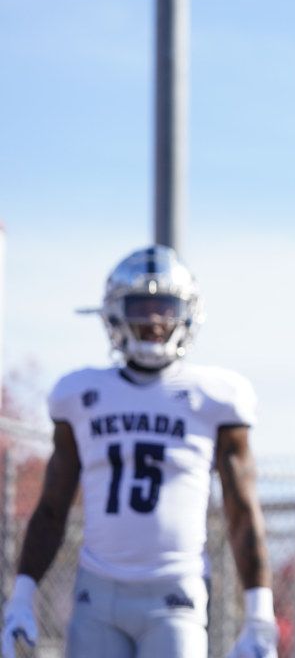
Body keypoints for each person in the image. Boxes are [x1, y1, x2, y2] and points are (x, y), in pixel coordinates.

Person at [0, 246, 277, 658]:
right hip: (97, 592)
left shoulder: (214, 396)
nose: (153, 321)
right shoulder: (81, 394)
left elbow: (241, 508)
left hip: (175, 594)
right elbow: (53, 505)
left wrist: (260, 614)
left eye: (165, 307)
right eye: (140, 307)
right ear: (113, 312)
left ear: (188, 313)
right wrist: (21, 595)